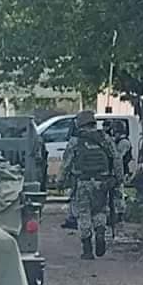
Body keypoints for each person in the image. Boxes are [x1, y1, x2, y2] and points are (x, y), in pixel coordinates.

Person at [57, 110, 123, 259]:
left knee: (83, 213)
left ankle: (87, 249)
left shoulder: (75, 141)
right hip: (103, 183)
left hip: (82, 183)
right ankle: (100, 232)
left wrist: (60, 182)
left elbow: (66, 163)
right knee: (100, 211)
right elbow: (117, 158)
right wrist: (118, 179)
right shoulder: (105, 138)